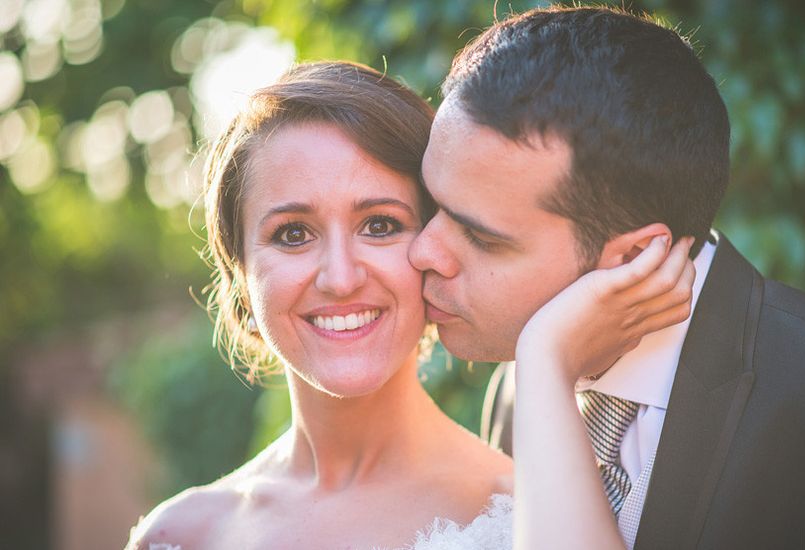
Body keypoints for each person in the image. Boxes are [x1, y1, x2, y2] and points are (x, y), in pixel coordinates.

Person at [407, 6, 805, 549]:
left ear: (633, 256)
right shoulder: (527, 375)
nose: (423, 251)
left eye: (483, 238)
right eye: (433, 204)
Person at [125, 60, 694, 550]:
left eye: (380, 225)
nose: (341, 278)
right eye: (293, 234)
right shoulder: (180, 533)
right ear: (239, 276)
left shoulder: (530, 517)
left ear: (434, 246)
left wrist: (545, 352)